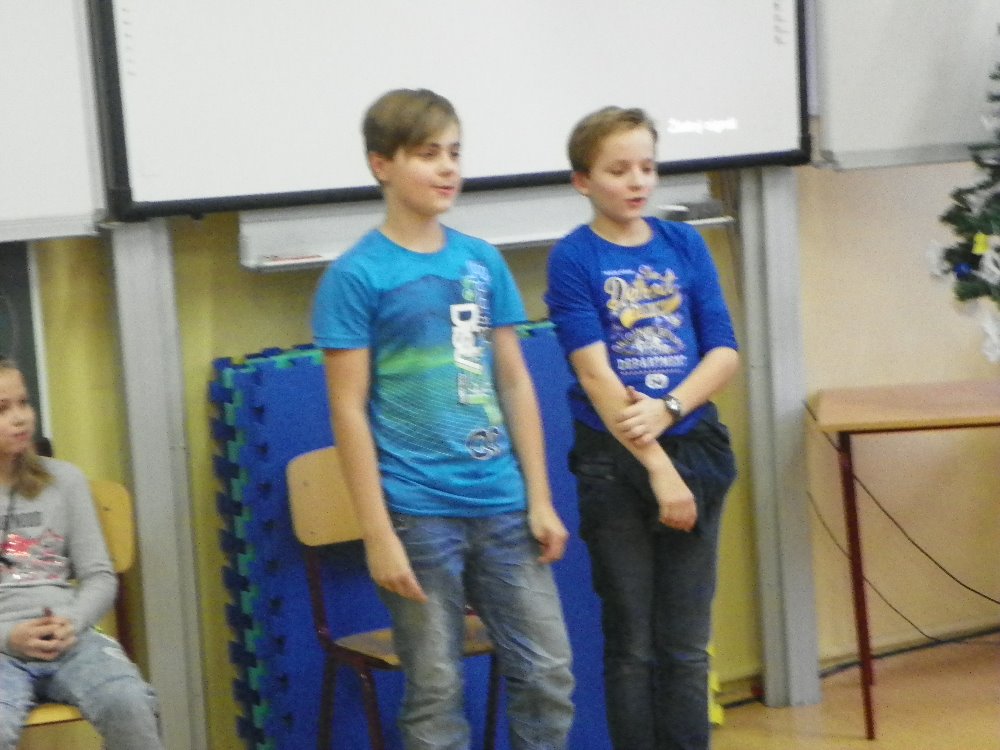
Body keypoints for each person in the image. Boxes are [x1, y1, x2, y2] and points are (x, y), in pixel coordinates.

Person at [311, 88, 575, 750]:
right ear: (382, 164)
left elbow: (513, 380)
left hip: (502, 504)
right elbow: (347, 409)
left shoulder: (481, 261)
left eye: (454, 153)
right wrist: (378, 533)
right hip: (419, 514)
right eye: (428, 154)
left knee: (548, 672)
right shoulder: (356, 276)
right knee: (434, 691)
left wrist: (539, 498)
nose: (449, 167)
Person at [544, 106, 740, 750]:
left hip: (693, 446)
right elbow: (596, 374)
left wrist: (670, 408)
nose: (637, 181)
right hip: (614, 461)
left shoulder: (684, 244)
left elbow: (723, 353)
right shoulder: (575, 257)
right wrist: (658, 467)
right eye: (618, 169)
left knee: (685, 644)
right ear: (583, 181)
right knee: (633, 644)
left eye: (647, 167)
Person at [0, 358, 163, 750]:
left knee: (129, 703)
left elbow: (99, 576)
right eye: (3, 408)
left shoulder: (65, 481)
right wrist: (8, 637)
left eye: (24, 403)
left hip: (70, 638)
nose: (21, 418)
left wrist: (71, 623)